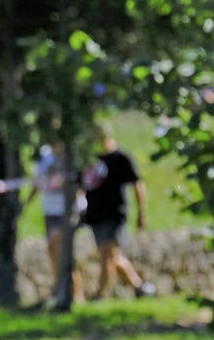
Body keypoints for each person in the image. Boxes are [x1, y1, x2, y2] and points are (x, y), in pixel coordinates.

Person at [81, 121, 155, 300]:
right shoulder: (91, 160)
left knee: (107, 256)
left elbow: (137, 185)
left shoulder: (121, 158)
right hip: (95, 215)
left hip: (114, 214)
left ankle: (99, 296)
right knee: (111, 256)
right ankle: (139, 287)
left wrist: (141, 213)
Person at [22, 138, 85, 305]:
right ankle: (61, 286)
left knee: (63, 249)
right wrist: (26, 202)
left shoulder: (70, 156)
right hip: (50, 210)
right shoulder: (44, 155)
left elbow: (80, 182)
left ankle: (76, 293)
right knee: (52, 249)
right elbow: (38, 181)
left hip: (67, 209)